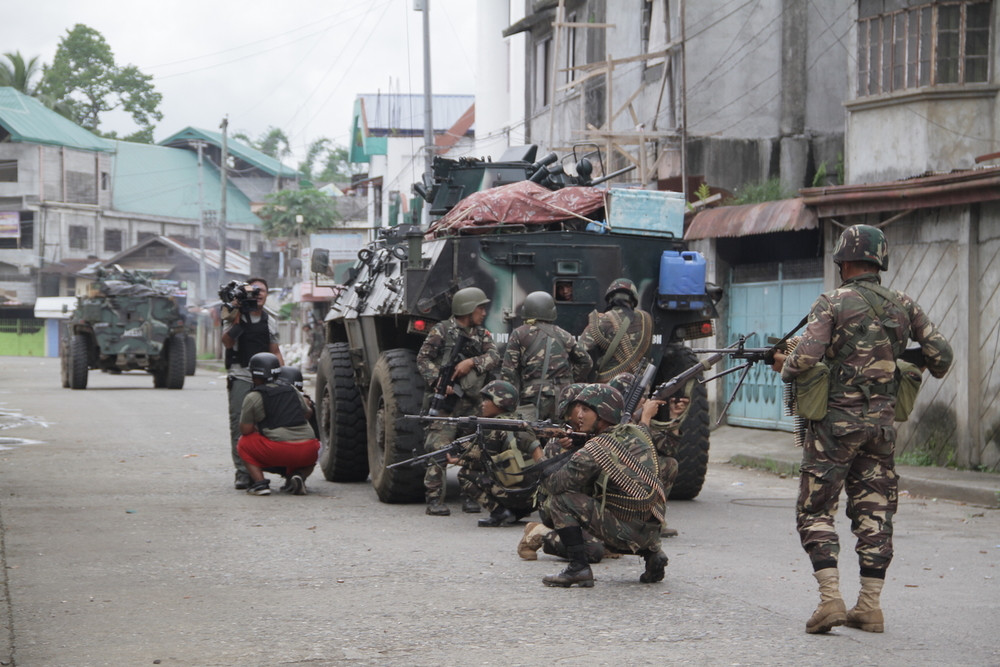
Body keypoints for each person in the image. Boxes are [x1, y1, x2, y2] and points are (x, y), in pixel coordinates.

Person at [771, 224, 953, 635]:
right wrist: (900, 364)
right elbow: (942, 357)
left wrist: (787, 363)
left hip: (834, 429)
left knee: (815, 510)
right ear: (879, 260)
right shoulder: (905, 305)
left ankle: (830, 600)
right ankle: (869, 607)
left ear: (843, 260)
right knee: (875, 512)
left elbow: (805, 359)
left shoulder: (832, 302)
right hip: (881, 430)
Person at [537, 384, 668, 587]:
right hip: (652, 530)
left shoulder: (596, 450)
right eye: (579, 409)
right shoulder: (636, 432)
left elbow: (555, 485)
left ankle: (578, 567)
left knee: (560, 501)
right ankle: (653, 555)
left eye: (586, 410)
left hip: (626, 532)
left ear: (604, 414)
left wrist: (538, 455)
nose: (579, 415)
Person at [416, 287, 501, 516]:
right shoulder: (441, 331)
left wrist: (471, 362)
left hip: (471, 404)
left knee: (471, 450)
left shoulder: (482, 335)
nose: (483, 312)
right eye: (480, 308)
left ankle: (471, 496)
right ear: (467, 309)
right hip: (446, 403)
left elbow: (494, 357)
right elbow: (423, 359)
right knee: (438, 449)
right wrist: (438, 381)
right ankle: (434, 499)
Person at [221, 277, 284, 490]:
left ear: (267, 294)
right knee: (240, 425)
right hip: (240, 376)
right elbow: (227, 342)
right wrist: (237, 315)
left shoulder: (270, 320)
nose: (258, 294)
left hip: (265, 379)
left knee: (270, 425)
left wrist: (283, 379)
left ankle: (271, 469)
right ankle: (242, 473)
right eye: (254, 290)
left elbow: (275, 351)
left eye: (262, 290)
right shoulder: (232, 314)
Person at [457, 380, 543, 527]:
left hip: (515, 495)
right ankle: (517, 512)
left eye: (487, 400)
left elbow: (483, 463)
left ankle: (499, 512)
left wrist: (459, 459)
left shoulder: (492, 428)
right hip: (535, 498)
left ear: (500, 402)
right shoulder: (523, 422)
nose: (482, 404)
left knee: (464, 474)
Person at [235, 353, 320, 496]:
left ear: (254, 375)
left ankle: (260, 484)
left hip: (278, 450)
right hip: (309, 449)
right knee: (312, 448)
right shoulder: (292, 389)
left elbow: (245, 429)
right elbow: (308, 413)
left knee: (243, 443)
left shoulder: (254, 396)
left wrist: (261, 425)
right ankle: (299, 475)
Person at [501, 291, 592, 421]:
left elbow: (508, 372)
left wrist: (509, 401)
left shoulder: (519, 334)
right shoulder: (564, 335)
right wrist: (570, 382)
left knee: (530, 436)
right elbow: (586, 362)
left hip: (532, 397)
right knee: (560, 437)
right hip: (562, 397)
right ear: (552, 311)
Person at [580, 278, 653, 382]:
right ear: (633, 299)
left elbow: (581, 353)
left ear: (610, 298)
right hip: (639, 385)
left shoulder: (600, 321)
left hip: (609, 388)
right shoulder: (646, 319)